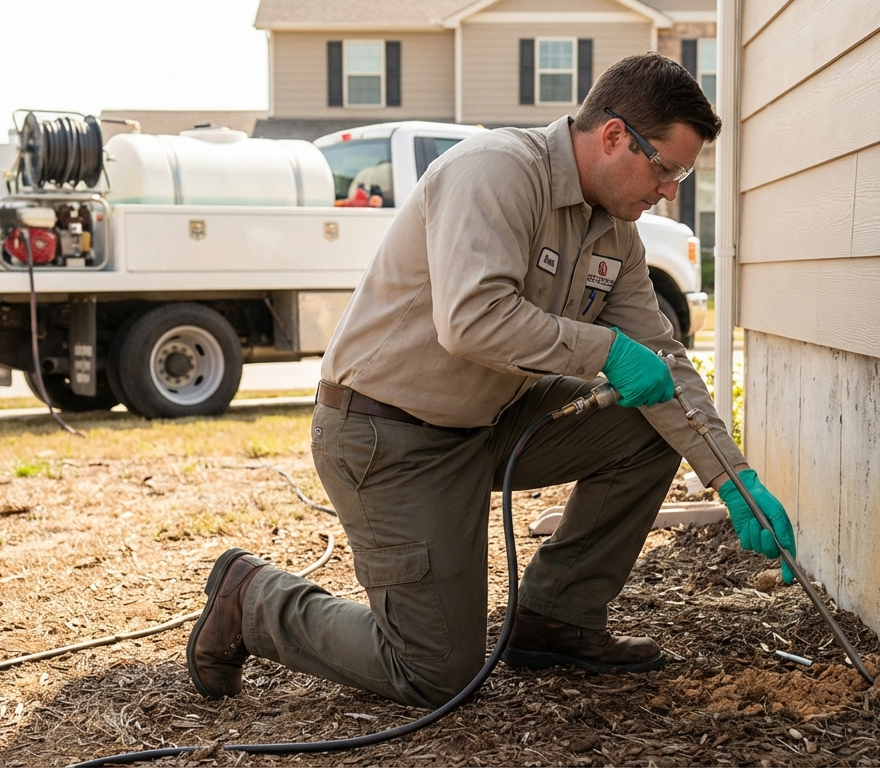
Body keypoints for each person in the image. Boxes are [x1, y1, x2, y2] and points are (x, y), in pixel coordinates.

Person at [186, 52, 796, 709]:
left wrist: (733, 480)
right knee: (432, 673)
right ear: (615, 136)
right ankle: (251, 598)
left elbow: (665, 361)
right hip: (388, 433)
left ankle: (557, 617)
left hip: (487, 422)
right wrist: (606, 350)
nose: (671, 189)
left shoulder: (616, 234)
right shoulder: (497, 172)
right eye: (667, 167)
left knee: (644, 420)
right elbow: (472, 321)